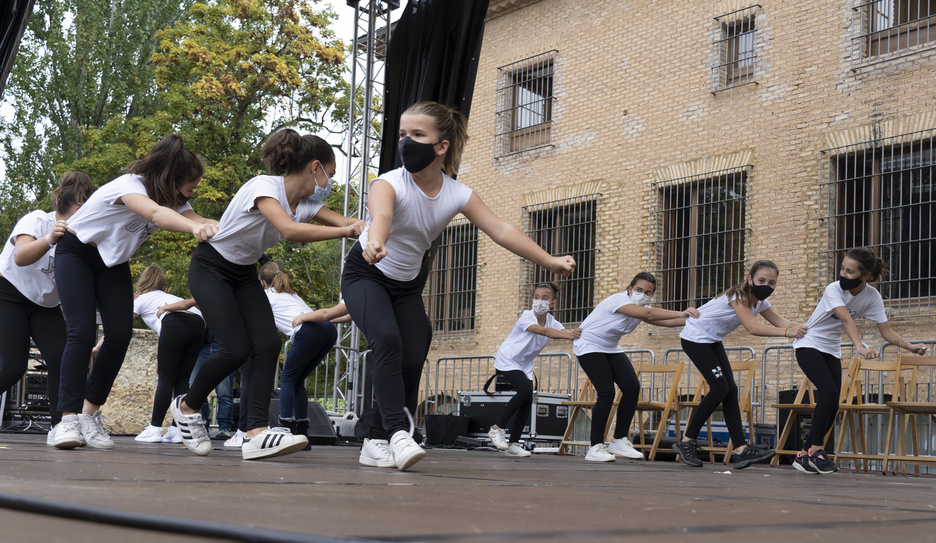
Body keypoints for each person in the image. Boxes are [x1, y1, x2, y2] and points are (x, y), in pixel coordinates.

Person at [342, 101, 576, 471]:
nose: (406, 142)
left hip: (406, 285)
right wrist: (375, 240)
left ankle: (374, 439)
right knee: (386, 339)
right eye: (402, 135)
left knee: (415, 348)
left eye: (417, 135)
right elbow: (382, 214)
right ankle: (398, 433)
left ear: (441, 146)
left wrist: (547, 260)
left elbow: (500, 229)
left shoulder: (457, 194)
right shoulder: (388, 182)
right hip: (366, 273)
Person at [171, 129, 364, 461]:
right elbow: (290, 231)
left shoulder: (303, 204)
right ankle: (187, 406)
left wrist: (368, 227)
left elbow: (343, 219)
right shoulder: (264, 187)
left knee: (268, 344)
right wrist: (346, 232)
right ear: (315, 168)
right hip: (211, 268)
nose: (329, 182)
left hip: (242, 274)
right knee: (234, 349)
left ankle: (256, 432)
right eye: (330, 175)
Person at [53, 135, 218, 450]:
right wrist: (195, 229)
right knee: (82, 332)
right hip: (77, 252)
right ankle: (68, 419)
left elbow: (199, 219)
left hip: (112, 264)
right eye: (189, 187)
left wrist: (227, 230)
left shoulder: (173, 199)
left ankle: (88, 414)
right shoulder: (130, 186)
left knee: (119, 334)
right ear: (171, 180)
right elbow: (157, 216)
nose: (190, 194)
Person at [791, 247, 927, 474]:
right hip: (809, 344)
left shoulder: (872, 297)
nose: (843, 274)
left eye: (850, 272)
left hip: (831, 350)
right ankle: (816, 451)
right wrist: (859, 347)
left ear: (865, 276)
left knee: (833, 403)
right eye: (842, 269)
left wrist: (911, 346)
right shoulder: (833, 289)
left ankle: (803, 455)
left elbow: (887, 332)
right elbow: (845, 319)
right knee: (829, 392)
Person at [672, 260, 805, 469]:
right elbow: (752, 328)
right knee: (720, 388)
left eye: (772, 283)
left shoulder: (761, 303)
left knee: (730, 390)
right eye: (761, 280)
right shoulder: (738, 296)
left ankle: (741, 451)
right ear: (750, 279)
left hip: (712, 340)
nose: (766, 286)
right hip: (695, 338)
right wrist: (788, 333)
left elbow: (783, 323)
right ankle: (686, 441)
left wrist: (808, 327)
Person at [0, 172, 96, 446]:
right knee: (12, 368)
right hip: (9, 294)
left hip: (46, 306)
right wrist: (50, 239)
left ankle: (60, 426)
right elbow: (20, 257)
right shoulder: (38, 220)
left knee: (62, 359)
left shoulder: (85, 237)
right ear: (74, 207)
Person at [573, 272, 700, 462]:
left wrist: (695, 319)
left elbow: (664, 321)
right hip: (589, 344)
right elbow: (649, 314)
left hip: (610, 347)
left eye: (648, 293)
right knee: (606, 392)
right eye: (639, 290)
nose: (643, 294)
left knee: (632, 387)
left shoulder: (641, 308)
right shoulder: (618, 301)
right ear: (630, 288)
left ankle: (619, 440)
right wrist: (682, 311)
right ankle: (595, 447)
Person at [487, 282, 581, 458]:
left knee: (527, 398)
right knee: (525, 389)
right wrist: (569, 335)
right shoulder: (526, 317)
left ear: (552, 303)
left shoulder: (553, 321)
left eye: (545, 298)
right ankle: (496, 428)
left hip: (524, 364)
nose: (539, 301)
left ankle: (514, 444)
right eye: (536, 297)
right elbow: (544, 331)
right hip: (508, 359)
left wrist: (578, 334)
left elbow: (566, 333)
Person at [259, 261, 344, 446]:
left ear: (262, 282)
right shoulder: (293, 295)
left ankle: (286, 429)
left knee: (288, 379)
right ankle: (303, 432)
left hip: (308, 330)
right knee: (297, 381)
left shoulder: (264, 296)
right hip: (328, 330)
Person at [130, 265, 205, 445]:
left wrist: (99, 345)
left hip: (174, 322)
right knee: (182, 380)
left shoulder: (141, 298)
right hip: (198, 321)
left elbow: (122, 325)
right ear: (164, 288)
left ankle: (155, 429)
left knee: (166, 379)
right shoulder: (171, 297)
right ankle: (177, 430)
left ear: (142, 285)